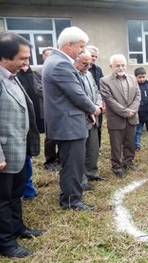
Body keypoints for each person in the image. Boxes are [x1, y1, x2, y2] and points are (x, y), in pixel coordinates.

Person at [0, 31, 43, 258]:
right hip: (1, 155)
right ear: (4, 57)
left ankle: (17, 228)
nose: (27, 62)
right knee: (0, 200)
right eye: (23, 58)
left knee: (15, 194)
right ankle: (5, 243)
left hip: (18, 151)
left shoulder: (11, 76)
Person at [43, 26, 101, 211]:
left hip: (66, 123)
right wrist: (94, 108)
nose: (83, 51)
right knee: (73, 164)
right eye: (81, 47)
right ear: (69, 45)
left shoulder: (54, 61)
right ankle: (72, 201)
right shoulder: (61, 64)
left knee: (70, 163)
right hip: (69, 125)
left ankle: (70, 196)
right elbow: (77, 94)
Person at [100, 54, 141, 178]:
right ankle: (117, 167)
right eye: (117, 65)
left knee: (130, 142)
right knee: (116, 145)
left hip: (132, 117)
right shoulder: (104, 81)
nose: (121, 67)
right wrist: (125, 112)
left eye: (123, 65)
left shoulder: (133, 79)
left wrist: (132, 111)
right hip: (116, 119)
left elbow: (138, 96)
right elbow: (109, 100)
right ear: (111, 66)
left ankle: (128, 162)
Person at [74, 49, 104, 191]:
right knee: (81, 151)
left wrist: (98, 105)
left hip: (94, 117)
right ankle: (82, 179)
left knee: (93, 148)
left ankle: (92, 173)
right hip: (82, 119)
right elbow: (79, 98)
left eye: (90, 63)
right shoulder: (73, 76)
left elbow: (97, 92)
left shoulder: (89, 75)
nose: (88, 66)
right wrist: (92, 109)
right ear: (76, 61)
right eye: (85, 63)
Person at [34, 46, 60, 171]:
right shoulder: (39, 72)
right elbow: (39, 90)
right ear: (43, 57)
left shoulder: (58, 69)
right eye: (47, 55)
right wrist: (58, 94)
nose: (50, 57)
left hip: (61, 110)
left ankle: (60, 158)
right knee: (50, 137)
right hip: (48, 109)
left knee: (62, 135)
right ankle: (49, 161)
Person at [17, 65, 40, 199]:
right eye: (22, 59)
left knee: (26, 160)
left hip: (25, 129)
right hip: (12, 135)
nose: (25, 63)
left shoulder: (15, 78)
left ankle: (28, 190)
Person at [87, 45, 105, 148]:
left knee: (99, 125)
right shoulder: (82, 68)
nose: (93, 58)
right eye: (92, 55)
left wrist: (101, 101)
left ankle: (97, 147)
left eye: (95, 56)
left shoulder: (98, 69)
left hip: (98, 102)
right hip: (86, 103)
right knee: (90, 125)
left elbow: (101, 85)